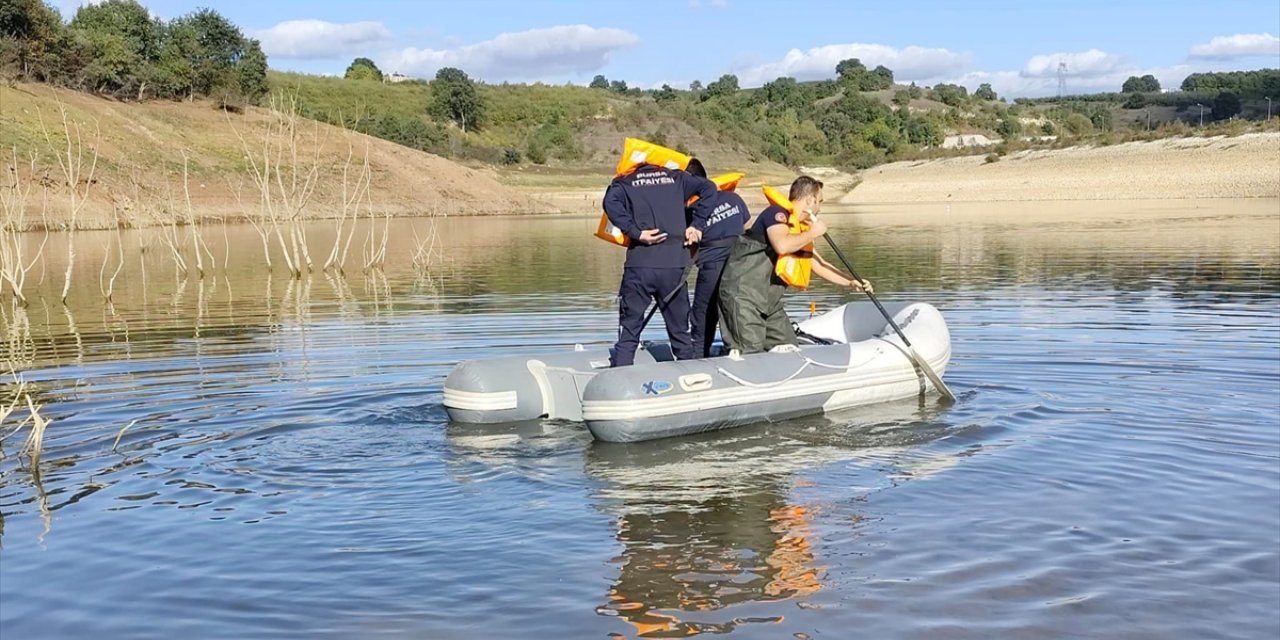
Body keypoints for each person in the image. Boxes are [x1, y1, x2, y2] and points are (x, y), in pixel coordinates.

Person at [717, 175, 872, 355]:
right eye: (819, 202)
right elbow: (782, 245)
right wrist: (813, 232)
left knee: (790, 347)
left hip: (769, 302)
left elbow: (820, 265)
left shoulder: (799, 230)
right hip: (743, 297)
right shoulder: (776, 214)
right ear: (810, 200)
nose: (820, 208)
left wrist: (851, 282)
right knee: (750, 351)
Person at [603, 162, 717, 367]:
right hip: (672, 268)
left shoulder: (625, 181)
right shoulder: (677, 178)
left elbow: (609, 202)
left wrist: (635, 232)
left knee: (629, 332)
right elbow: (709, 188)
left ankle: (620, 374)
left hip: (639, 266)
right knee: (680, 333)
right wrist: (697, 225)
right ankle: (691, 377)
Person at [684, 159, 751, 358]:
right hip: (741, 263)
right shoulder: (733, 198)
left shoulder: (692, 210)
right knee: (735, 308)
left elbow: (688, 243)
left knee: (703, 313)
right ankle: (743, 349)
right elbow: (746, 227)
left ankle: (698, 357)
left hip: (713, 266)